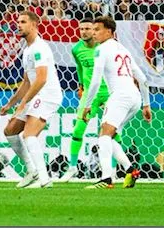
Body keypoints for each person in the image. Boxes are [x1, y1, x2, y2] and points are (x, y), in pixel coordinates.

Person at [82, 16, 152, 189]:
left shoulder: (101, 49)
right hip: (134, 97)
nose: (93, 33)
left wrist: (87, 104)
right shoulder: (123, 49)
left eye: (97, 29)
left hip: (120, 96)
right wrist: (146, 104)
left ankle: (106, 179)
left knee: (103, 135)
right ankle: (130, 169)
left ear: (109, 31)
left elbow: (96, 81)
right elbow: (142, 79)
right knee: (109, 136)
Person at [0, 10, 63, 189]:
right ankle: (31, 170)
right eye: (18, 22)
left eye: (23, 22)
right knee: (10, 130)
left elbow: (42, 79)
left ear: (34, 25)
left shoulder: (39, 48)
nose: (18, 25)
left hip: (47, 95)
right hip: (36, 94)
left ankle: (44, 179)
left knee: (29, 135)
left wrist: (23, 103)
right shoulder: (27, 50)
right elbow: (28, 81)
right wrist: (11, 103)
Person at [59, 18, 111, 182]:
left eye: (88, 28)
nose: (84, 32)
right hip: (90, 95)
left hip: (109, 93)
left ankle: (114, 170)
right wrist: (81, 85)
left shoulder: (104, 48)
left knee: (112, 133)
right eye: (81, 29)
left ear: (94, 30)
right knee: (77, 130)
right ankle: (73, 167)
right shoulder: (76, 49)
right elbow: (80, 68)